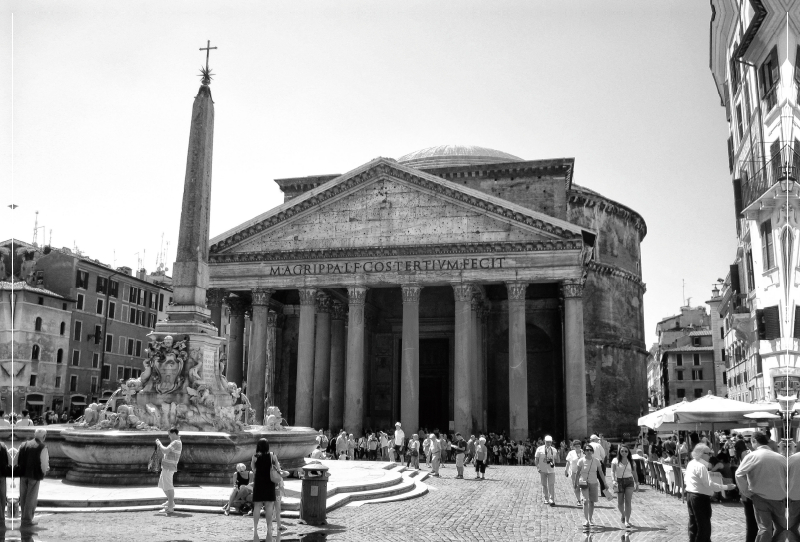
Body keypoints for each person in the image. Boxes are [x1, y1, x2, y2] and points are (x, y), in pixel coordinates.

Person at [734, 432, 787, 542]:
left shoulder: (752, 456)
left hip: (760, 497)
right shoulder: (781, 458)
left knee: (764, 528)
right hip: (779, 497)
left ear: (754, 441)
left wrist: (746, 492)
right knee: (781, 528)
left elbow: (739, 474)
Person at [685, 444, 736, 542]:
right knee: (703, 526)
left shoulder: (691, 463)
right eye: (708, 453)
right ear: (701, 454)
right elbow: (709, 484)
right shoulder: (701, 466)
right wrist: (725, 487)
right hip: (700, 497)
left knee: (693, 524)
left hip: (691, 494)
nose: (710, 456)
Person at [16, 428, 49, 527]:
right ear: (43, 437)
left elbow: (17, 458)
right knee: (31, 498)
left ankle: (23, 518)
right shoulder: (42, 447)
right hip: (34, 475)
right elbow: (44, 463)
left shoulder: (23, 445)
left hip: (23, 474)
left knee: (23, 497)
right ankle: (27, 520)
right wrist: (43, 473)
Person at [251, 438, 281, 542]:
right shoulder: (272, 455)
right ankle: (269, 526)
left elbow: (253, 469)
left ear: (258, 446)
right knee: (269, 506)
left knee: (257, 506)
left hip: (259, 483)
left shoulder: (255, 457)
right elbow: (278, 468)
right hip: (269, 483)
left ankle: (255, 527)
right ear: (267, 446)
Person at [575, 444, 604, 529]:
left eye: (590, 450)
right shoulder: (581, 461)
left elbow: (601, 472)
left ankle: (590, 519)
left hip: (593, 482)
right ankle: (586, 520)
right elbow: (577, 472)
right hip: (584, 482)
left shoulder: (596, 461)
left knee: (591, 502)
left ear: (593, 452)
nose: (589, 451)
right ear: (584, 451)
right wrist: (576, 483)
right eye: (587, 450)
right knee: (585, 501)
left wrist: (604, 483)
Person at [610, 444, 639, 529]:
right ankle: (623, 514)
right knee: (620, 503)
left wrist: (637, 483)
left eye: (626, 451)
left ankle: (627, 521)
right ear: (619, 451)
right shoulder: (615, 460)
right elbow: (612, 471)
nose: (624, 452)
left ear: (628, 452)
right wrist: (613, 480)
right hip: (619, 481)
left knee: (628, 501)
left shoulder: (632, 462)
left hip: (629, 481)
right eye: (622, 451)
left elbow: (634, 473)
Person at [155, 427, 182, 514]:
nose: (168, 437)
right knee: (163, 485)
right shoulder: (176, 442)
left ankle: (170, 507)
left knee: (168, 486)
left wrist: (159, 444)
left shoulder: (176, 442)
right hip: (167, 466)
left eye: (169, 435)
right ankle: (171, 502)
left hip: (169, 467)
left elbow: (166, 451)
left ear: (174, 433)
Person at [535, 435, 558, 506]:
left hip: (551, 470)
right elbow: (536, 459)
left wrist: (555, 458)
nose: (548, 443)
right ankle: (546, 498)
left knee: (551, 484)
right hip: (543, 469)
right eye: (547, 442)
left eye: (550, 442)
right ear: (544, 441)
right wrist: (538, 467)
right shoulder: (539, 449)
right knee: (544, 484)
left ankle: (551, 499)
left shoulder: (554, 450)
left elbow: (556, 459)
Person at [564, 440, 583, 507]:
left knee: (583, 486)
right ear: (574, 447)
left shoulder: (584, 452)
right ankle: (578, 500)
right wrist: (566, 470)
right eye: (576, 446)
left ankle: (582, 496)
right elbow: (568, 462)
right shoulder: (571, 453)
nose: (578, 448)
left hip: (582, 473)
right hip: (574, 472)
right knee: (576, 486)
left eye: (579, 446)